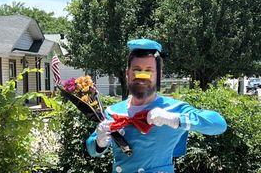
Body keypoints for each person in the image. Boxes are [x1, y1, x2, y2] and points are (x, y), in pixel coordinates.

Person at [86, 39, 227, 173]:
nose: (142, 76)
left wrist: (177, 119)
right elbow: (92, 149)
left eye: (148, 71)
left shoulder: (173, 109)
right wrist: (99, 142)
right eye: (136, 70)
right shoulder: (113, 111)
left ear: (159, 75)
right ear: (127, 74)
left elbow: (219, 124)